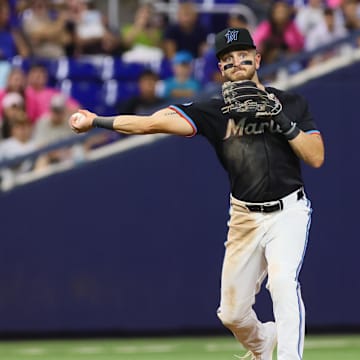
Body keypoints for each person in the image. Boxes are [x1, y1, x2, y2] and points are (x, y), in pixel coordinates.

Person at [69, 27, 325, 360]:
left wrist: (281, 118)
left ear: (257, 59)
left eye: (242, 55)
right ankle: (262, 340)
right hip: (245, 217)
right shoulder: (214, 111)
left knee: (282, 282)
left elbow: (316, 156)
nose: (236, 62)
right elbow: (150, 123)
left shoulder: (290, 102)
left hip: (288, 211)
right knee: (232, 315)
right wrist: (96, 120)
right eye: (227, 59)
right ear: (221, 70)